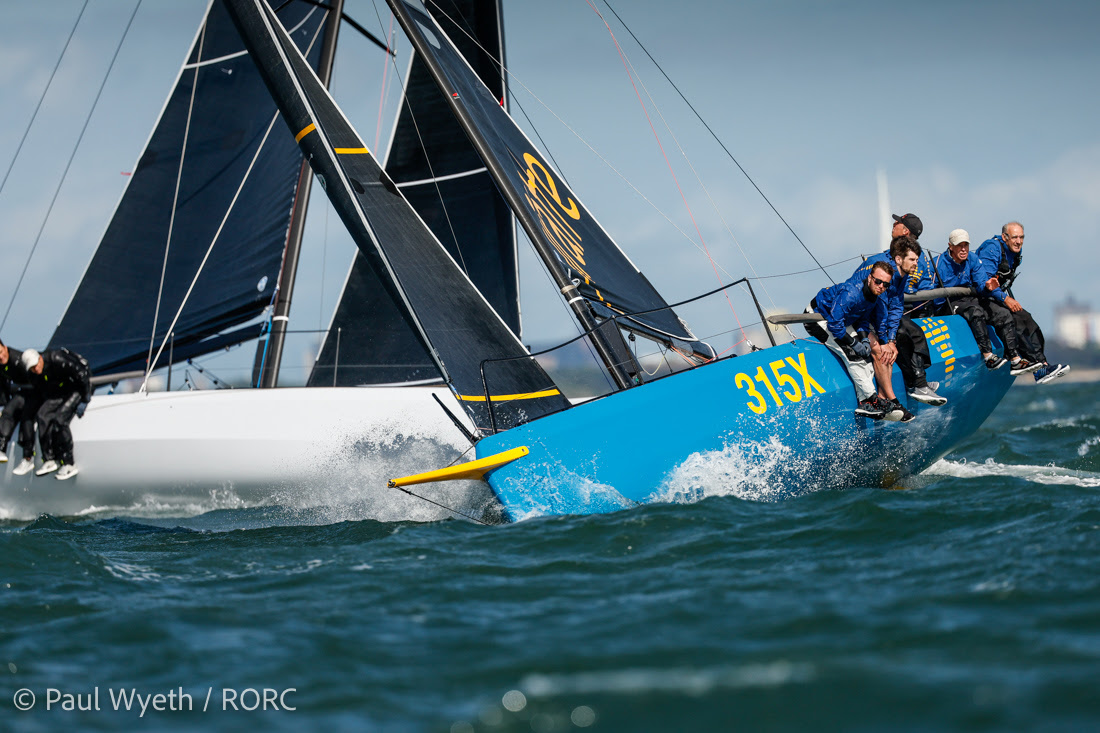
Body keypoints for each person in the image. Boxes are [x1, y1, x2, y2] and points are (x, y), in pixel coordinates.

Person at [844, 234, 933, 422]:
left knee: (891, 350)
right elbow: (881, 312)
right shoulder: (887, 273)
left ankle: (884, 400)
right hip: (853, 316)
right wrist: (885, 342)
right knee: (880, 351)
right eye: (912, 259)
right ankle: (892, 400)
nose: (917, 263)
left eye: (917, 259)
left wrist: (891, 341)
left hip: (867, 315)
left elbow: (896, 307)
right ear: (899, 259)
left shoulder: (903, 275)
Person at [976, 222, 1070, 384]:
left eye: (1021, 237)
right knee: (1013, 320)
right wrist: (1005, 299)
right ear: (1005, 237)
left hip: (995, 297)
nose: (1018, 241)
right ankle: (1030, 364)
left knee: (1026, 319)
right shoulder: (992, 248)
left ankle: (1042, 366)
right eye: (1014, 237)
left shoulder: (1015, 253)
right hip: (979, 299)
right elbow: (984, 282)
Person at [806, 260, 901, 420]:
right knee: (853, 354)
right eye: (878, 281)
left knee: (867, 354)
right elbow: (834, 325)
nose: (881, 287)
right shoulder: (852, 293)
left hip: (841, 321)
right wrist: (853, 343)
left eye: (885, 285)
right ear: (870, 278)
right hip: (818, 318)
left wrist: (864, 340)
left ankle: (865, 404)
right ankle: (872, 400)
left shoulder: (873, 295)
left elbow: (862, 319)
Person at [933, 229, 1006, 369]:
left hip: (967, 299)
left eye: (966, 245)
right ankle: (988, 356)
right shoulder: (938, 263)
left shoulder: (972, 259)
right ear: (950, 246)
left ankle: (1014, 357)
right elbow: (930, 292)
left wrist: (987, 286)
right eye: (959, 245)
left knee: (1001, 312)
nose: (963, 249)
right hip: (945, 305)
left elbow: (980, 281)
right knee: (975, 311)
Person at [21, 347, 92, 480]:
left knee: (59, 420)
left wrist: (85, 398)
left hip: (77, 387)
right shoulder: (33, 375)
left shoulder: (56, 358)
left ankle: (69, 463)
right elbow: (41, 390)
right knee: (42, 416)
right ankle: (49, 460)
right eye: (32, 368)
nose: (35, 369)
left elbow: (82, 373)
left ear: (40, 358)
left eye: (36, 365)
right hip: (60, 392)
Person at [0, 339, 40, 475]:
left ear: (5, 348)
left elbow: (39, 376)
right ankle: (1, 449)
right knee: (7, 412)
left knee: (26, 417)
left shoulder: (19, 360)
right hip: (23, 393)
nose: (0, 357)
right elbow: (3, 386)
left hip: (38, 392)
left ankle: (28, 458)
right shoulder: (0, 363)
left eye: (0, 352)